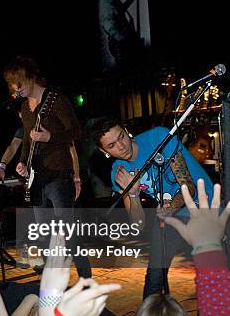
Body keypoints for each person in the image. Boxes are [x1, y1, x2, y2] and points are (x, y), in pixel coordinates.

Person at [89, 117, 214, 298]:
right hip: (169, 216)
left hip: (204, 206)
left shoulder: (158, 138)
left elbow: (188, 185)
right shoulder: (119, 172)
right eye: (111, 146)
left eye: (121, 137)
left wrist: (170, 208)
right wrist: (133, 194)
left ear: (126, 130)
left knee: (209, 275)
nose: (121, 146)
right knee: (154, 278)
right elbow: (138, 224)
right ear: (104, 151)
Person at [3, 56, 90, 277]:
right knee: (43, 233)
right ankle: (52, 281)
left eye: (19, 82)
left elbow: (76, 132)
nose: (16, 88)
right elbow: (27, 141)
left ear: (31, 78)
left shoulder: (55, 100)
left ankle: (85, 279)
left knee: (68, 232)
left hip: (59, 173)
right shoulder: (24, 107)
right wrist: (22, 163)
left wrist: (50, 136)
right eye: (12, 84)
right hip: (36, 178)